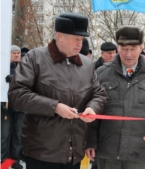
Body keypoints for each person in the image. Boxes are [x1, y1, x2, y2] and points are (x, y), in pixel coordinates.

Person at [8, 13, 107, 169]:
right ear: (60, 36)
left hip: (74, 151)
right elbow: (17, 95)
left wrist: (92, 108)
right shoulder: (35, 58)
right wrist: (54, 107)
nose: (79, 44)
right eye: (76, 39)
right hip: (42, 151)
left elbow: (99, 94)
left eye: (81, 40)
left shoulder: (87, 65)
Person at [85, 25, 145, 169]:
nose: (128, 54)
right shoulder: (101, 73)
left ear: (141, 47)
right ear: (117, 48)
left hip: (138, 150)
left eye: (133, 49)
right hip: (107, 150)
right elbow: (92, 109)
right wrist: (90, 141)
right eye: (124, 49)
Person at [1, 45, 24, 169]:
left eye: (18, 53)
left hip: (20, 108)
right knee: (5, 136)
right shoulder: (3, 68)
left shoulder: (24, 68)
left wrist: (14, 78)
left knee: (18, 136)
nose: (16, 55)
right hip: (6, 106)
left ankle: (15, 161)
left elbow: (28, 82)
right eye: (13, 53)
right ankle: (4, 162)